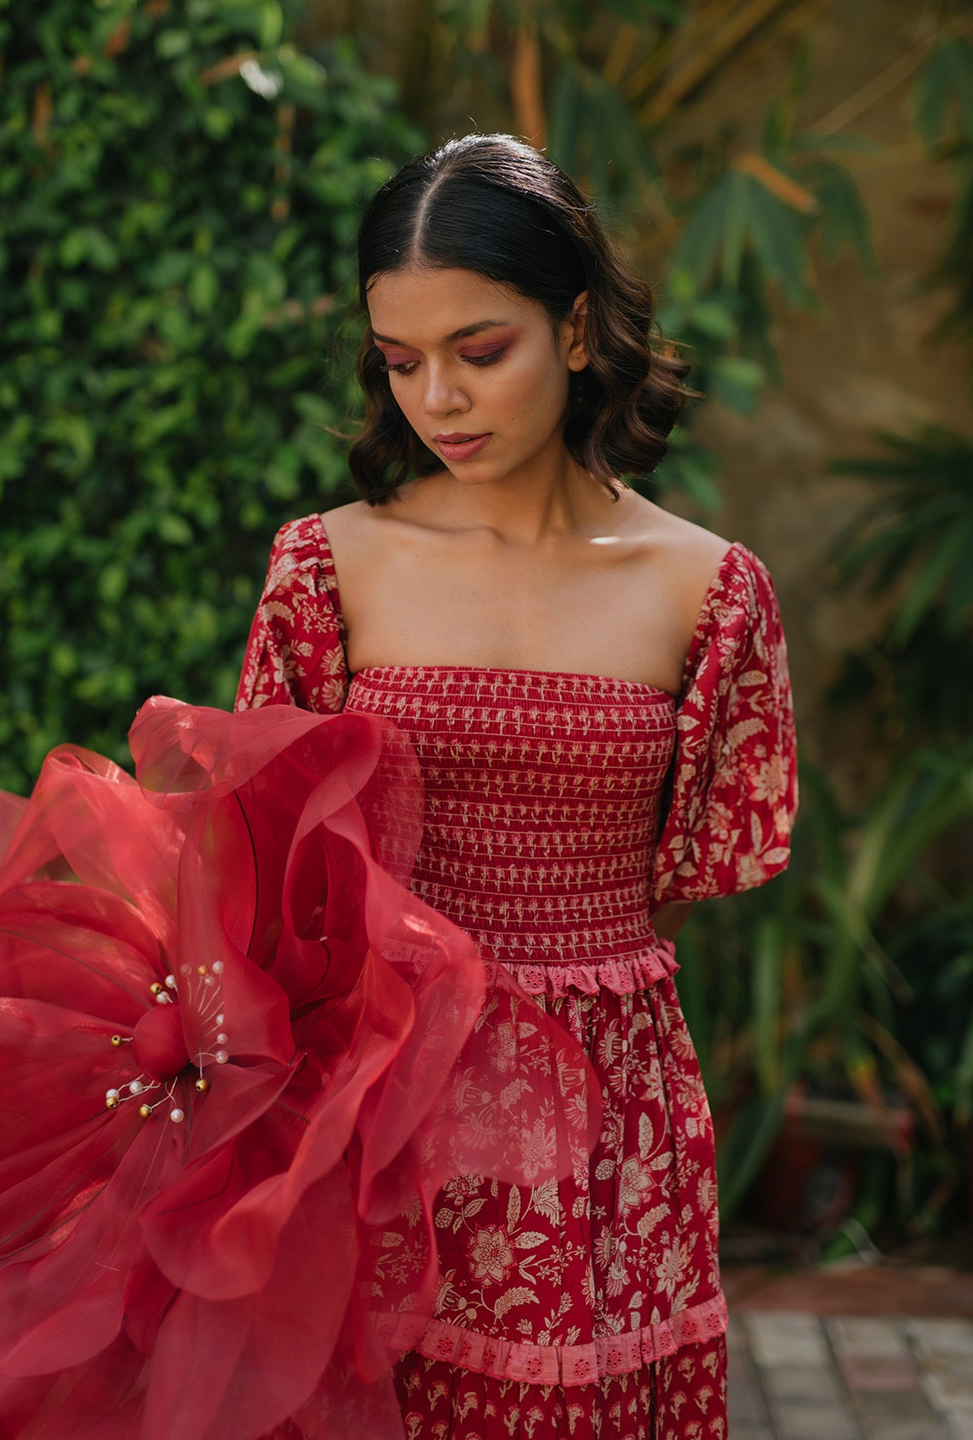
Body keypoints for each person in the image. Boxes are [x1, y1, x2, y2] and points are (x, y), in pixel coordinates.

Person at [236, 133, 797, 1439]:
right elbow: (267, 857)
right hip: (380, 1101)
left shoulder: (710, 593)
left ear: (580, 329)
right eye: (401, 360)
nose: (439, 397)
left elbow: (704, 864)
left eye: (480, 350)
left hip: (610, 1117)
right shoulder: (329, 569)